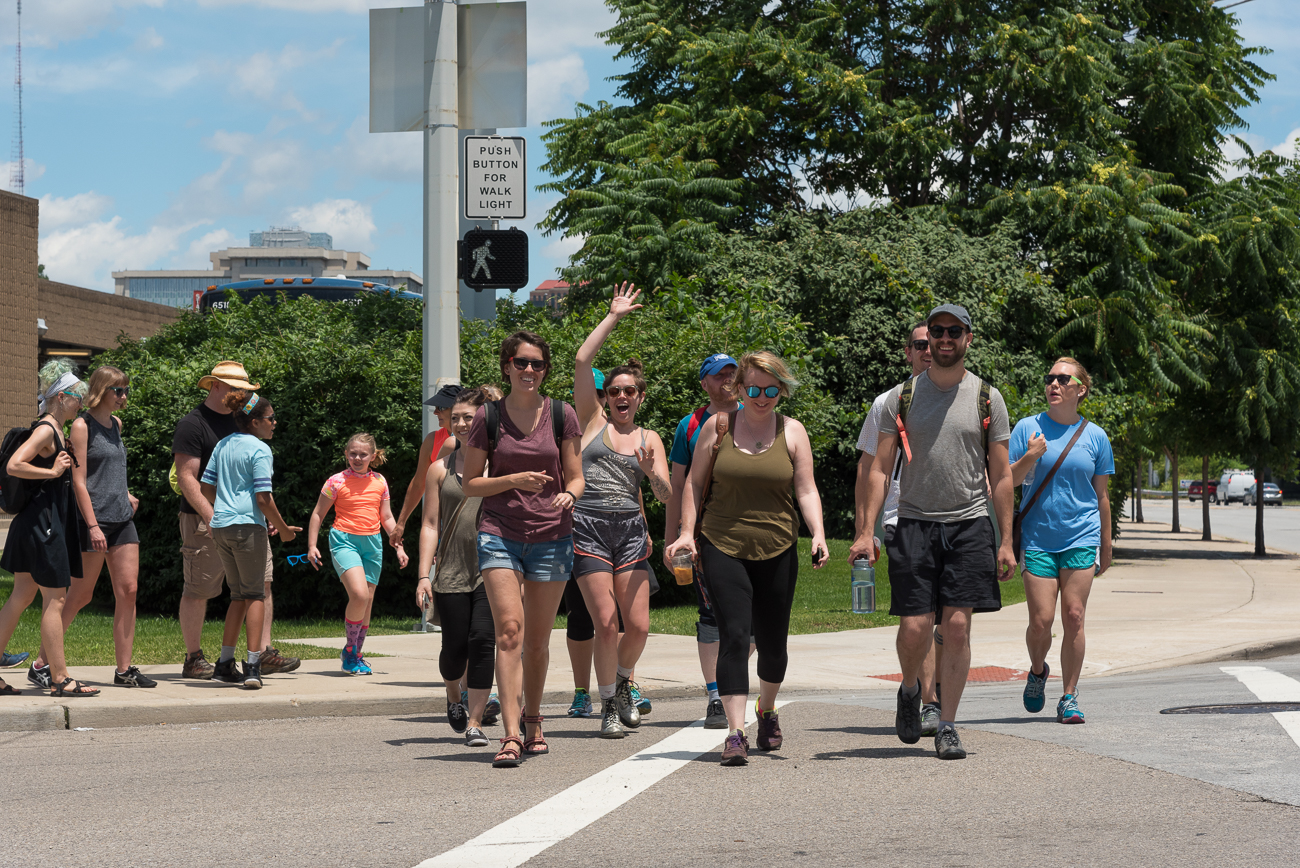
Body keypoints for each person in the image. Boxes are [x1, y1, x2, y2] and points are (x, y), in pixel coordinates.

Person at [850, 303, 1015, 761]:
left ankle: (946, 723)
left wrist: (1006, 539)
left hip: (968, 525)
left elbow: (1001, 475)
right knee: (915, 626)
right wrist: (867, 530)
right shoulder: (899, 398)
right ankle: (909, 688)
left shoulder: (988, 398)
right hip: (915, 524)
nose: (943, 339)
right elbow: (880, 468)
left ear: (968, 338)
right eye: (937, 331)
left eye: (953, 331)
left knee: (957, 627)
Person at [668, 351, 829, 766]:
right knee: (735, 636)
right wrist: (688, 533)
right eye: (753, 389)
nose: (762, 397)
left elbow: (806, 489)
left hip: (777, 546)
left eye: (771, 390)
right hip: (722, 544)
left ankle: (767, 710)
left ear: (782, 389)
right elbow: (693, 484)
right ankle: (735, 733)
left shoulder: (793, 431)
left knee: (773, 645)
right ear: (739, 389)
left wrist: (819, 534)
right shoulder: (717, 427)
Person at [461, 330, 584, 768]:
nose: (528, 370)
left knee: (536, 640)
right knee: (509, 631)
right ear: (506, 366)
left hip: (552, 535)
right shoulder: (487, 417)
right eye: (520, 362)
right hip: (500, 532)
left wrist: (570, 493)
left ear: (545, 369)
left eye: (537, 364)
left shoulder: (560, 413)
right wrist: (513, 480)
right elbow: (469, 482)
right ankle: (511, 734)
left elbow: (575, 474)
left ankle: (534, 719)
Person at [571, 284, 672, 738]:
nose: (622, 397)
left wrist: (653, 475)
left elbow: (667, 496)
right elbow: (581, 361)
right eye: (614, 391)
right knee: (606, 622)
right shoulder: (593, 421)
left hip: (631, 530)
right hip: (588, 527)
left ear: (641, 395)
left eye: (630, 391)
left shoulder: (650, 438)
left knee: (639, 626)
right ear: (605, 397)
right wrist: (613, 316)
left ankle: (626, 680)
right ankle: (609, 702)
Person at [26, 366, 154, 688]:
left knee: (129, 591)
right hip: (94, 521)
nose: (124, 396)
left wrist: (124, 493)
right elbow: (80, 482)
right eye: (118, 390)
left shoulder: (117, 425)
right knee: (80, 596)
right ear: (101, 390)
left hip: (122, 518)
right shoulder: (82, 427)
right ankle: (42, 664)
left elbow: (110, 469)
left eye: (126, 389)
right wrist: (94, 526)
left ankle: (124, 671)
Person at [173, 361, 299, 679]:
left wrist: (248, 516)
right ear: (215, 385)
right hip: (209, 520)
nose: (241, 394)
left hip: (237, 520)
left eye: (244, 389)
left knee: (256, 588)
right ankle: (196, 658)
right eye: (235, 388)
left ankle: (254, 655)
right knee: (202, 589)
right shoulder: (193, 424)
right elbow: (188, 479)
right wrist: (214, 516)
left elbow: (230, 484)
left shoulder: (238, 425)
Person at [1009, 357, 1114, 725]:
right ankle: (1038, 671)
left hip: (1081, 535)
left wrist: (1107, 542)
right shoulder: (1027, 428)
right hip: (1038, 537)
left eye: (1062, 379)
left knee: (1074, 616)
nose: (1053, 384)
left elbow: (1101, 497)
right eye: (1050, 378)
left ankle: (1069, 696)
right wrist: (1030, 456)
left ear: (1080, 389)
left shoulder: (1096, 437)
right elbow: (1007, 482)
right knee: (1041, 621)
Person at [854, 323, 937, 731]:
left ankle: (930, 699)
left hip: (952, 519)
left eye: (933, 343)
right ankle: (921, 694)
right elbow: (868, 467)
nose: (928, 350)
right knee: (919, 618)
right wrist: (863, 530)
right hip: (901, 518)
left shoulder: (964, 397)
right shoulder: (887, 402)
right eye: (920, 344)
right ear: (907, 352)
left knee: (945, 619)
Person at [1, 361, 98, 697]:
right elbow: (15, 464)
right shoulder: (46, 429)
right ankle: (60, 678)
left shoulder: (56, 430)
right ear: (60, 397)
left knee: (21, 596)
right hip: (42, 525)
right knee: (55, 599)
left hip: (35, 523)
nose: (81, 404)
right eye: (77, 397)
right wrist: (53, 472)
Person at [200, 389, 301, 689]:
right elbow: (263, 498)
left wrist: (226, 508)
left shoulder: (223, 445)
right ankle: (253, 665)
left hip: (221, 527)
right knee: (256, 594)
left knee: (238, 596)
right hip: (247, 528)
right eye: (271, 419)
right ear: (255, 422)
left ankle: (224, 664)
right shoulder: (260, 450)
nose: (274, 423)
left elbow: (206, 487)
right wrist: (283, 528)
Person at [416, 386, 498, 747]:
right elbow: (430, 524)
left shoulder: (501, 465)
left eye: (469, 417)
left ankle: (476, 721)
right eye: (456, 418)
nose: (462, 424)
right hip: (450, 570)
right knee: (454, 650)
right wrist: (423, 575)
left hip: (494, 566)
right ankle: (453, 695)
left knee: (483, 641)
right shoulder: (439, 469)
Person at [663, 351, 741, 728]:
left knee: (752, 617)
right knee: (710, 613)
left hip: (752, 531)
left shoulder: (758, 413)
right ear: (704, 383)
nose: (727, 378)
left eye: (732, 372)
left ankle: (733, 682)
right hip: (706, 533)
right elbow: (678, 486)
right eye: (719, 374)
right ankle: (715, 694)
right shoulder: (690, 425)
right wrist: (676, 535)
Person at [306, 433, 408, 676]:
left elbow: (386, 517)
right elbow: (318, 514)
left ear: (373, 456)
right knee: (360, 595)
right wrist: (312, 545)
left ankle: (355, 654)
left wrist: (399, 546)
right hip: (344, 541)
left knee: (369, 600)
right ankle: (350, 651)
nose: (357, 458)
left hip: (373, 543)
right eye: (353, 453)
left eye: (363, 454)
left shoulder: (380, 481)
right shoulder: (336, 481)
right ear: (346, 454)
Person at [392, 383, 463, 546]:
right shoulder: (432, 440)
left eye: (442, 406)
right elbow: (419, 483)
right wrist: (401, 523)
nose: (436, 411)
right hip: (441, 524)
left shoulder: (477, 438)